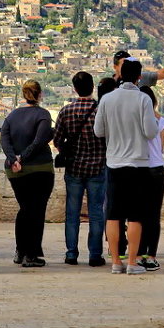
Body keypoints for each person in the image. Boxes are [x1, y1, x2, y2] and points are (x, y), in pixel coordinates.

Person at [94, 58, 159, 274]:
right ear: (139, 76)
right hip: (138, 164)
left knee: (113, 215)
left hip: (114, 163)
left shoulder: (108, 99)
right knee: (135, 215)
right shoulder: (143, 100)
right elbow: (150, 132)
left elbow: (99, 131)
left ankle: (115, 261)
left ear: (120, 74)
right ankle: (132, 261)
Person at [53, 72, 107, 267]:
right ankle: (95, 254)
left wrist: (68, 152)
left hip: (74, 168)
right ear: (92, 87)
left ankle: (71, 253)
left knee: (72, 212)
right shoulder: (100, 110)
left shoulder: (66, 111)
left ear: (74, 88)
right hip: (97, 168)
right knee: (96, 213)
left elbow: (57, 139)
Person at [1, 79, 55, 268]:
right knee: (37, 211)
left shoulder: (12, 116)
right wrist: (23, 157)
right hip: (40, 168)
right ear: (39, 94)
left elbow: (4, 140)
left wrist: (14, 159)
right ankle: (32, 253)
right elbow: (39, 141)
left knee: (24, 209)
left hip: (16, 171)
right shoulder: (43, 115)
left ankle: (20, 250)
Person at [136, 85, 164, 270]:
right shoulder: (160, 120)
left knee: (138, 213)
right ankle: (151, 254)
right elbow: (161, 146)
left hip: (140, 168)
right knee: (154, 215)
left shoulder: (136, 120)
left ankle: (138, 252)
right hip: (156, 168)